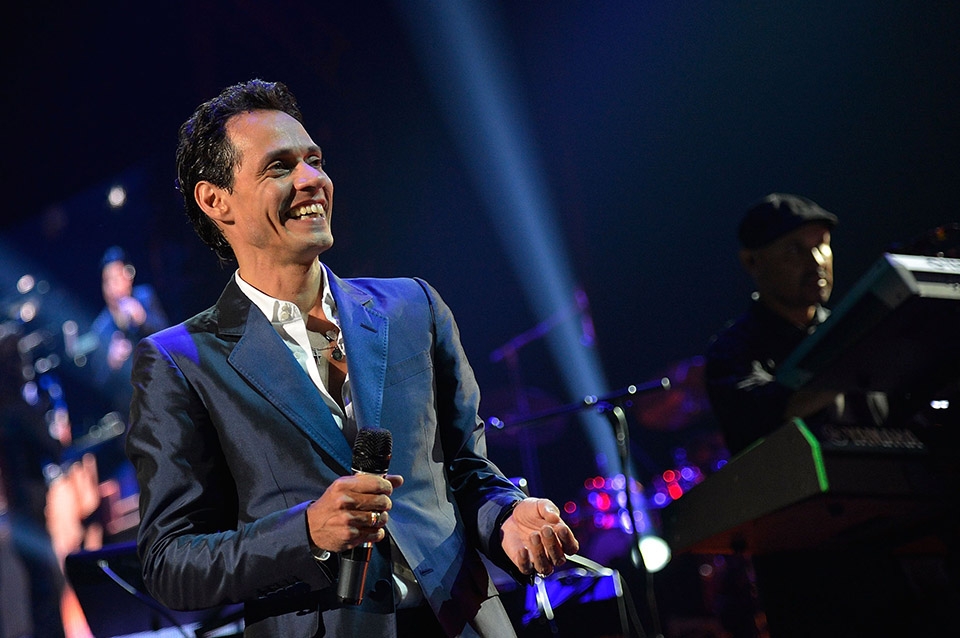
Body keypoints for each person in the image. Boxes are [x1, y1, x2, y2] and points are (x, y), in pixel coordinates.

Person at [125, 78, 579, 638]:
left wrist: (508, 516)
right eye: (279, 167)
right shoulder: (180, 361)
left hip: (463, 623)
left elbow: (468, 470)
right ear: (216, 200)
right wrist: (306, 531)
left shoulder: (413, 307)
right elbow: (170, 564)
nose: (312, 180)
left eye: (314, 161)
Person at [704, 193, 923, 637]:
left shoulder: (859, 329)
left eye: (822, 245)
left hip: (899, 544)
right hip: (804, 563)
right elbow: (765, 413)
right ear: (752, 262)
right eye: (795, 250)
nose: (816, 260)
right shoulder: (733, 350)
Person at [0, 322, 67, 638]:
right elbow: (52, 450)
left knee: (37, 592)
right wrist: (45, 415)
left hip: (16, 510)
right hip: (30, 506)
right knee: (47, 592)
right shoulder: (19, 409)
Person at [90, 245, 170, 420]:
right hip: (132, 407)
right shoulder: (101, 328)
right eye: (108, 281)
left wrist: (143, 320)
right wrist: (112, 362)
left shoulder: (144, 297)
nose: (114, 286)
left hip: (163, 387)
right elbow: (98, 382)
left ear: (129, 277)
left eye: (119, 277)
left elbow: (168, 337)